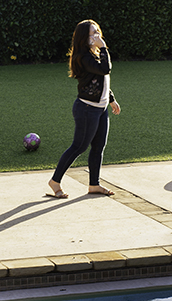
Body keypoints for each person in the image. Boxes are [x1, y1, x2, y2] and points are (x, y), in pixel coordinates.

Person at [47, 20, 122, 198]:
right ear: (83, 38)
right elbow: (105, 69)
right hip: (87, 109)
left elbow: (101, 82)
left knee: (98, 147)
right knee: (79, 146)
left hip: (101, 108)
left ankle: (94, 184)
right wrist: (103, 47)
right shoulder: (83, 57)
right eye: (92, 34)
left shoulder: (93, 55)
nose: (97, 36)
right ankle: (55, 181)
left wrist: (111, 100)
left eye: (98, 32)